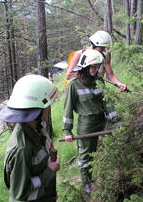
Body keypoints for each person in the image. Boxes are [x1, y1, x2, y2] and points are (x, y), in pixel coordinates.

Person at [0, 74, 60, 202]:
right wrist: (49, 171)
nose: (49, 108)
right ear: (38, 110)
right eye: (47, 105)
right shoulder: (22, 149)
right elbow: (20, 194)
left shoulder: (37, 128)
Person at [62, 49, 118, 194]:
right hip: (87, 124)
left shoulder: (98, 80)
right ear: (85, 67)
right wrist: (67, 131)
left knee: (118, 135)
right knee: (86, 155)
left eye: (97, 66)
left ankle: (115, 168)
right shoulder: (74, 85)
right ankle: (87, 181)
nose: (95, 69)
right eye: (92, 66)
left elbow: (106, 100)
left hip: (102, 119)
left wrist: (115, 118)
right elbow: (67, 109)